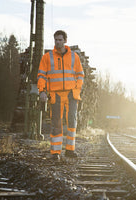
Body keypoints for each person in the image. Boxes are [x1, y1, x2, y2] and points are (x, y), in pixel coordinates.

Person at [37, 30, 84, 161]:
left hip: (71, 94)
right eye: (56, 40)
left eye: (60, 40)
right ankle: (55, 152)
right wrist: (42, 91)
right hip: (55, 94)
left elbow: (80, 75)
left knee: (72, 121)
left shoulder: (74, 57)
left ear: (65, 41)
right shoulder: (47, 57)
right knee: (56, 122)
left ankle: (70, 150)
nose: (57, 42)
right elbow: (41, 75)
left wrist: (77, 89)